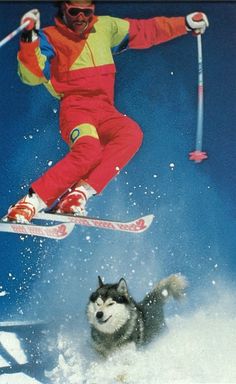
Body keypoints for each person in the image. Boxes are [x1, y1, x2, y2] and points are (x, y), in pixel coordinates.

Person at [7, 0, 209, 223]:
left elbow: (146, 30)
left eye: (87, 12)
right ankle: (30, 202)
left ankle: (79, 194)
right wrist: (30, 38)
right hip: (76, 108)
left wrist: (185, 24)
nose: (81, 17)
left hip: (105, 108)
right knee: (88, 151)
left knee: (131, 133)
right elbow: (31, 74)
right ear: (64, 9)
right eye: (74, 11)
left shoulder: (105, 27)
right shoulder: (51, 37)